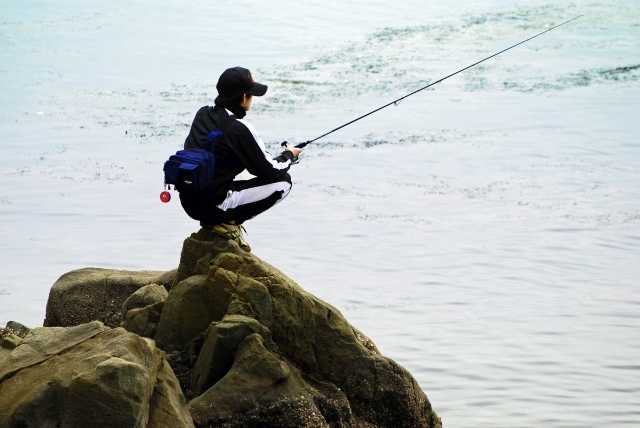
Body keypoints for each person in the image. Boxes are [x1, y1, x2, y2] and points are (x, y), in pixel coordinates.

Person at [178, 66, 302, 252]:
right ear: (244, 98)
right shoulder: (239, 128)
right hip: (213, 206)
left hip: (188, 200)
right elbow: (269, 170)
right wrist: (289, 155)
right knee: (283, 183)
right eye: (251, 95)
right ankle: (229, 222)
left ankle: (219, 220)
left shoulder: (202, 114)